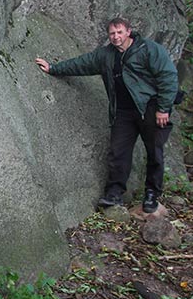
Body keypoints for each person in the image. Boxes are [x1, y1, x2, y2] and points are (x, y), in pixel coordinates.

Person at [35, 17, 179, 213]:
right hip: (123, 112)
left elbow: (168, 76)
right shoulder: (106, 55)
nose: (116, 36)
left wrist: (163, 108)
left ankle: (152, 194)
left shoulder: (149, 49)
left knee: (155, 152)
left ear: (129, 31)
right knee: (118, 153)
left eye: (119, 32)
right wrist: (53, 68)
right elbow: (82, 64)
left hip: (150, 108)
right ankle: (114, 194)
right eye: (112, 33)